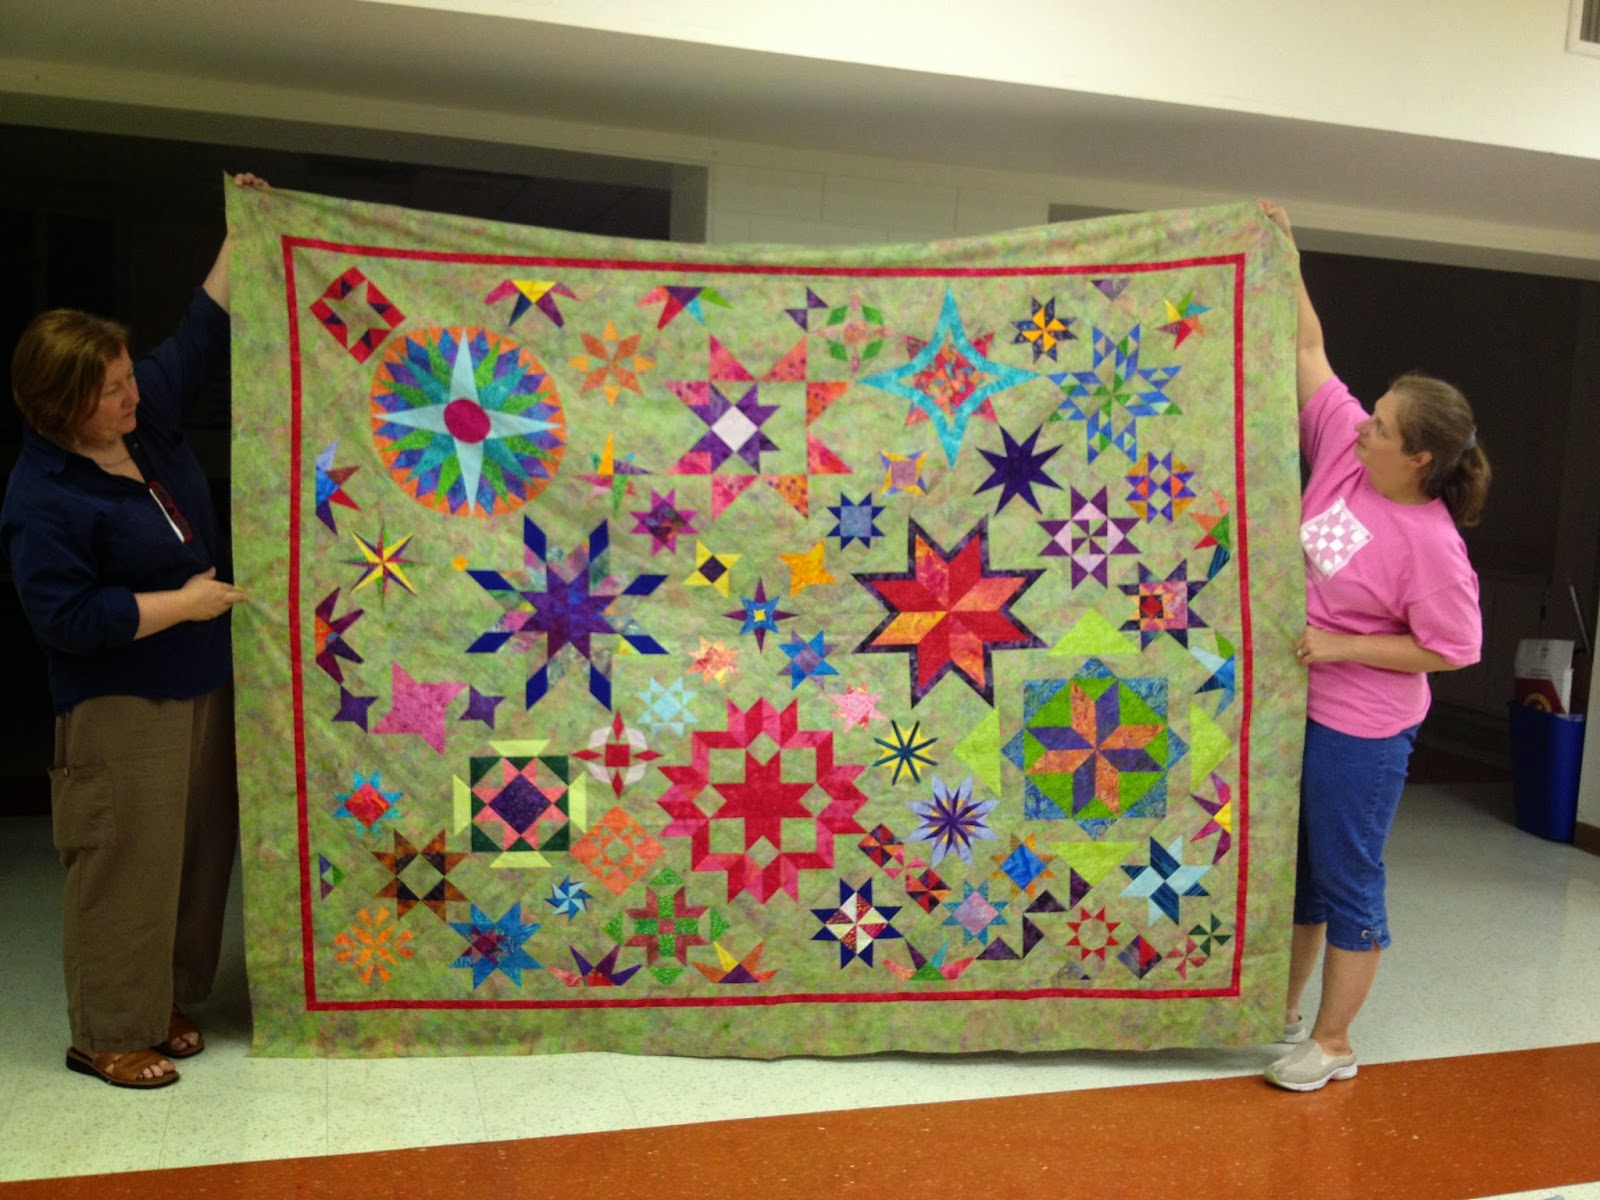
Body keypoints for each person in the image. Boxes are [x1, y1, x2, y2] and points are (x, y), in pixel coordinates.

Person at [3, 172, 268, 1088]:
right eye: (113, 389)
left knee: (197, 852)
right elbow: (67, 618)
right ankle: (108, 1031)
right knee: (125, 861)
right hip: (120, 701)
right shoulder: (43, 498)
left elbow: (199, 331)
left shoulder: (142, 424)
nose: (133, 394)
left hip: (202, 679)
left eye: (126, 378)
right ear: (63, 409)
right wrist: (180, 606)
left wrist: (243, 231)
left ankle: (167, 1000)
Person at [1257, 200, 1490, 1092]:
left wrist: (1344, 647)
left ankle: (1335, 1045)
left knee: (1347, 878)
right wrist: (1284, 250)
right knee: (1302, 874)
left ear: (1419, 458)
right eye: (1372, 413)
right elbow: (1310, 349)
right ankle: (1285, 1015)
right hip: (1302, 705)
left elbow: (1453, 649)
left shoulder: (1432, 547)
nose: (1363, 426)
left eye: (1382, 426)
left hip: (1362, 727)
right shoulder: (1346, 457)